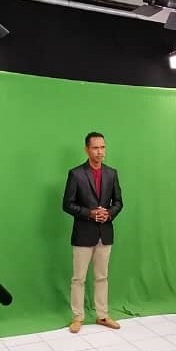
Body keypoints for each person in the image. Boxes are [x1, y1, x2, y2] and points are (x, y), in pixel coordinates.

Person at [62, 132, 123, 333]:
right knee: (78, 278)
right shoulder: (76, 174)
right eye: (96, 148)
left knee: (102, 277)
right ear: (87, 149)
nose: (100, 152)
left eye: (103, 147)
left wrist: (109, 214)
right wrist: (90, 213)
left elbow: (119, 202)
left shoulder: (112, 173)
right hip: (83, 234)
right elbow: (67, 204)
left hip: (105, 233)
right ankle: (77, 317)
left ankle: (102, 316)